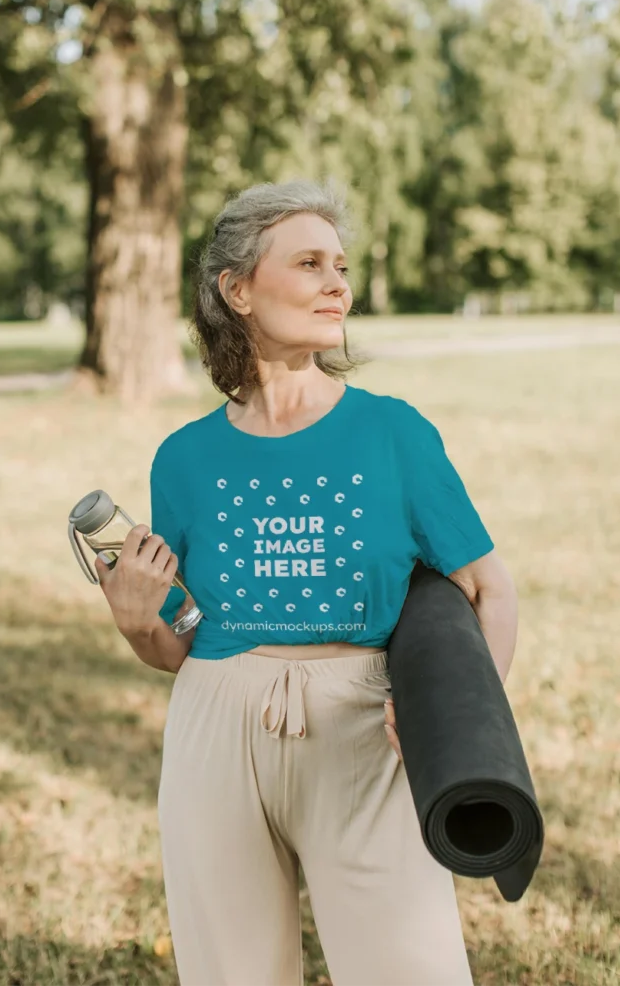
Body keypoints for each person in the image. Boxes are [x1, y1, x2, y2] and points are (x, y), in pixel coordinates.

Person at [95, 180, 512, 986]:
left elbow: (490, 587)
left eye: (341, 266)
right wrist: (136, 619)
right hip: (214, 722)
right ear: (238, 289)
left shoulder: (394, 433)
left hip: (365, 722)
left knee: (410, 969)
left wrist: (459, 728)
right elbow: (175, 646)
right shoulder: (183, 458)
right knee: (230, 972)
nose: (337, 286)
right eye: (310, 263)